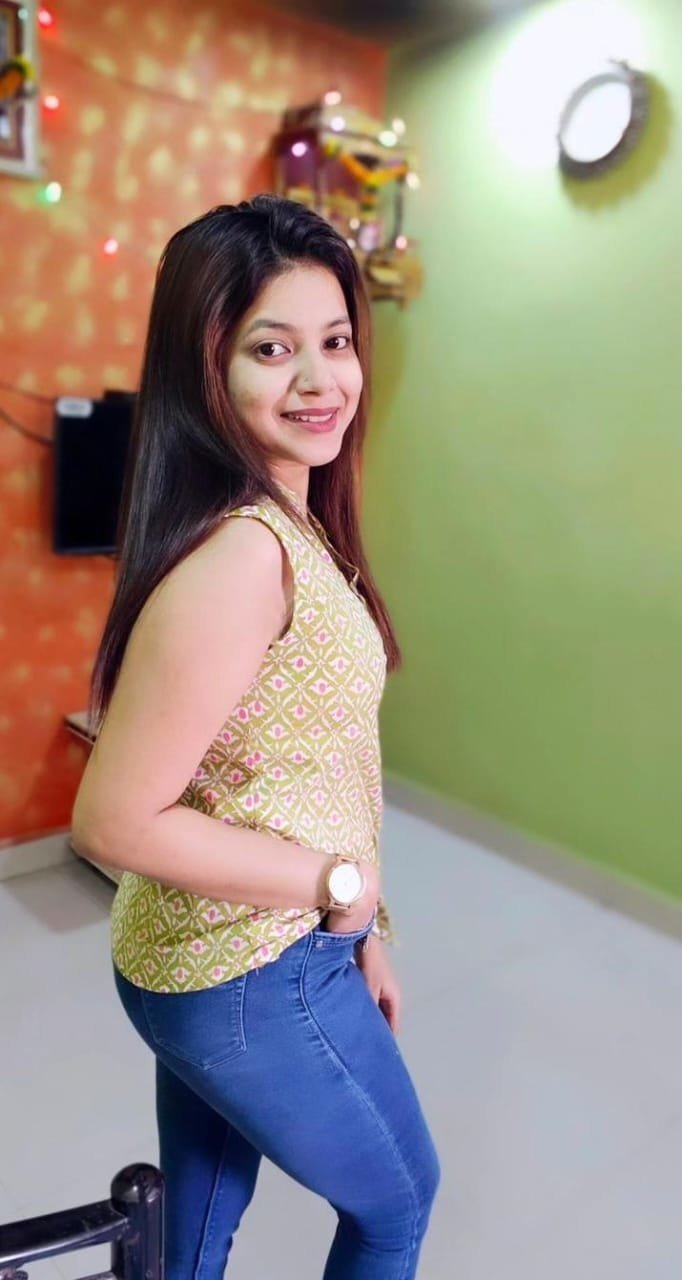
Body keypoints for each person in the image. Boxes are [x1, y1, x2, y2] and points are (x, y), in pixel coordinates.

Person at [71, 194, 440, 1279]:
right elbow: (114, 819)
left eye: (336, 341)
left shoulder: (289, 526)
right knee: (397, 1207)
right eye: (272, 349)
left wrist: (366, 930)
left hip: (200, 958)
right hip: (253, 970)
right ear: (208, 369)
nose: (321, 380)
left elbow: (318, 768)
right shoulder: (242, 556)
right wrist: (338, 887)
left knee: (191, 1236)